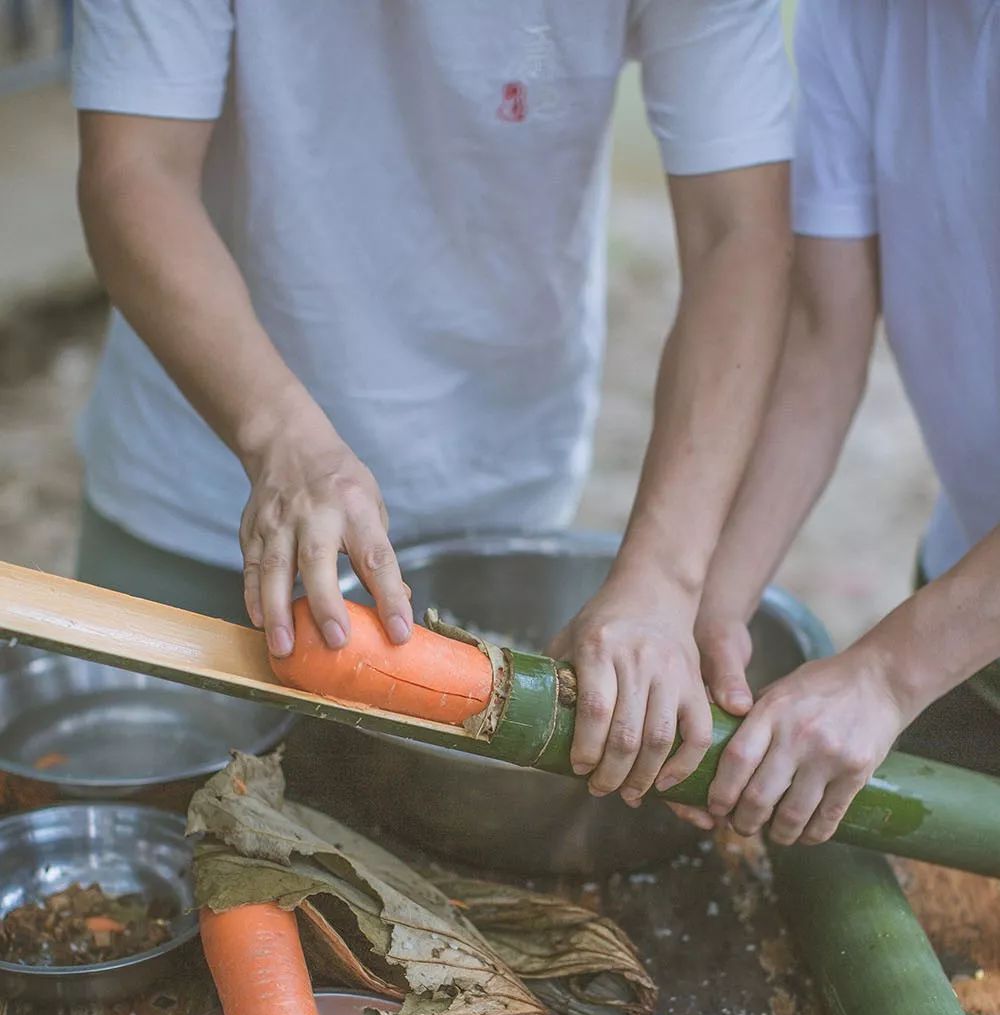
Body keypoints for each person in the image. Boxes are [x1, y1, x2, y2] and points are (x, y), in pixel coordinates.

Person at [71, 0, 792, 804]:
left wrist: (665, 577)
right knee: (136, 832)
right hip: (197, 483)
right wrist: (278, 434)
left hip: (495, 494)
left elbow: (742, 234)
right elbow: (133, 170)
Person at [675, 0, 1000, 846]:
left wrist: (888, 672)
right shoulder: (859, 17)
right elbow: (824, 340)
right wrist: (702, 610)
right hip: (973, 597)